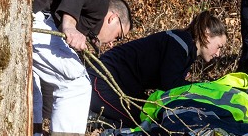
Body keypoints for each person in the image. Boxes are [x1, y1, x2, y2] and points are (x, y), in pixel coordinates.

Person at [31, 0, 131, 136]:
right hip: (34, 15)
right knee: (76, 84)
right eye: (118, 36)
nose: (114, 42)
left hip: (27, 12)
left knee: (34, 93)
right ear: (113, 18)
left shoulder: (88, 19)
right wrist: (69, 25)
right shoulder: (100, 0)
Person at [87, 11, 228, 128]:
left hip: (120, 86)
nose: (218, 54)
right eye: (219, 46)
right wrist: (203, 87)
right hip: (102, 80)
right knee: (142, 121)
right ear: (206, 34)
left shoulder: (184, 46)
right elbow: (170, 86)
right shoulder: (179, 44)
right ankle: (92, 121)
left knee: (149, 115)